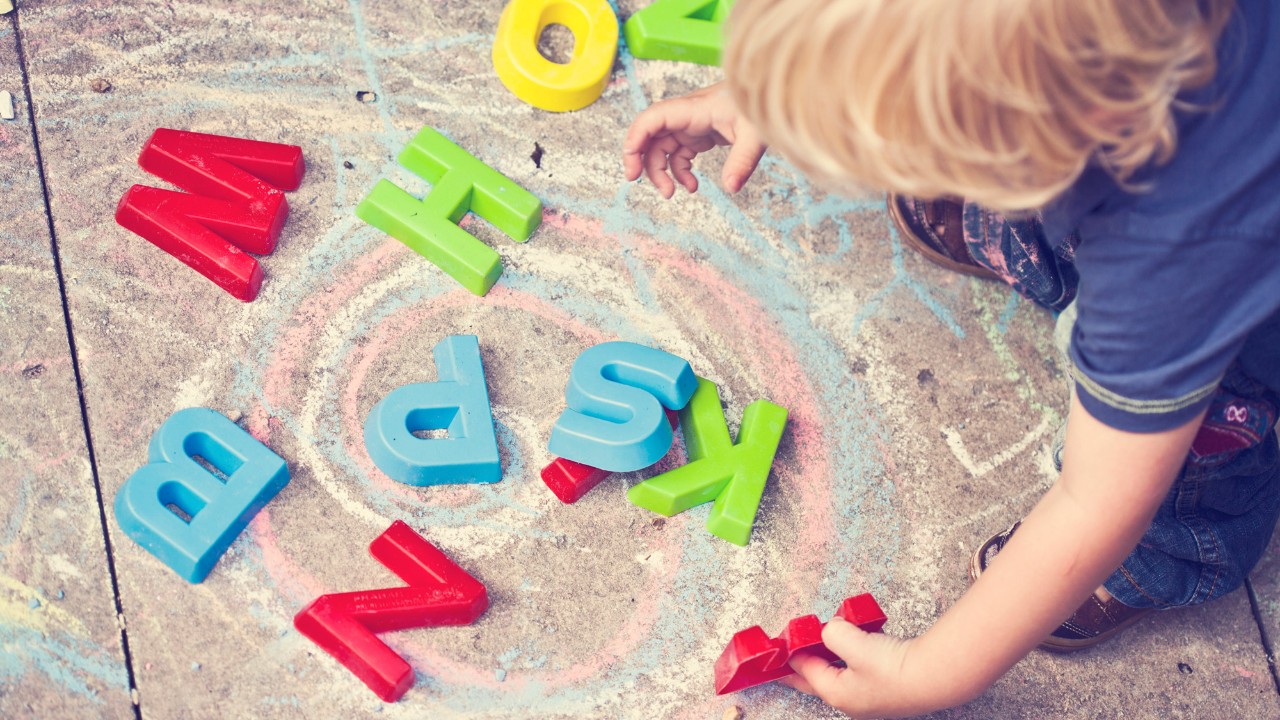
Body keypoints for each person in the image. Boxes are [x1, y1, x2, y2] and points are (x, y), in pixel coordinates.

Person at [621, 0, 1280, 716]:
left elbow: (1100, 499)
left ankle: (1169, 552)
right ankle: (1031, 228)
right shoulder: (1066, 52)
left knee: (1197, 435)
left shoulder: (1174, 260)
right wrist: (778, 86)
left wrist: (932, 672)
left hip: (1241, 290)